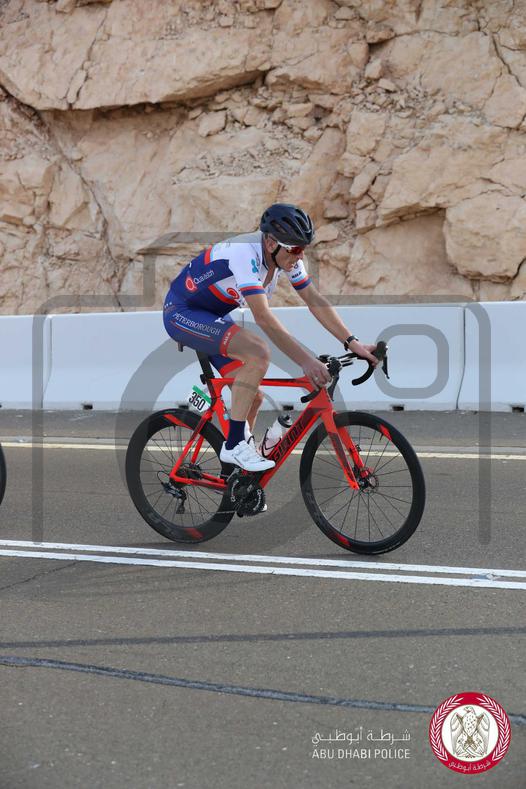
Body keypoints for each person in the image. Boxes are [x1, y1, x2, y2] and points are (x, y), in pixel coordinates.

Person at [163, 203, 378, 472]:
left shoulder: (283, 256)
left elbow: (313, 299)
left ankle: (239, 476)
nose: (300, 256)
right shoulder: (244, 254)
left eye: (303, 249)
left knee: (253, 397)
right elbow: (263, 317)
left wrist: (352, 343)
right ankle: (234, 446)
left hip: (213, 316)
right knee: (258, 352)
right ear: (270, 242)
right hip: (182, 313)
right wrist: (306, 362)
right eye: (295, 249)